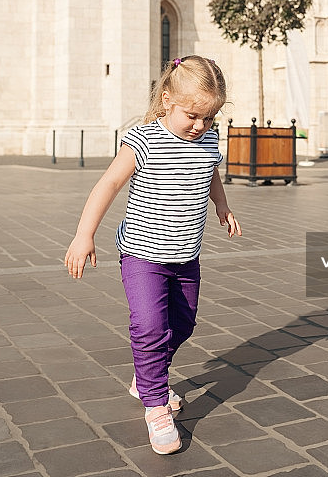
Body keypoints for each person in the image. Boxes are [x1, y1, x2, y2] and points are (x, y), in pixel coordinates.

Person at [64, 55, 241, 456]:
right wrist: (83, 234)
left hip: (186, 257)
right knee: (148, 327)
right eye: (192, 116)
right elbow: (108, 184)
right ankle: (156, 405)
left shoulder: (210, 141)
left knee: (183, 324)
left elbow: (210, 171)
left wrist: (223, 207)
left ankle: (146, 375)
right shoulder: (143, 140)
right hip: (142, 256)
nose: (199, 126)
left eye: (209, 118)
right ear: (166, 101)